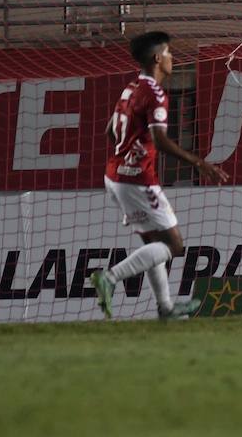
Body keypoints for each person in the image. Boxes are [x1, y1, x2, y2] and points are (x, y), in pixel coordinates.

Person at [91, 31, 228, 320]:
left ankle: (165, 308)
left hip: (115, 175)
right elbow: (162, 140)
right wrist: (199, 163)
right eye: (168, 53)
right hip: (137, 179)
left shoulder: (130, 88)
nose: (172, 58)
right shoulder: (155, 93)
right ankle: (110, 278)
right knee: (173, 245)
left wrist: (129, 149)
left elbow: (109, 130)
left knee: (152, 242)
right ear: (157, 58)